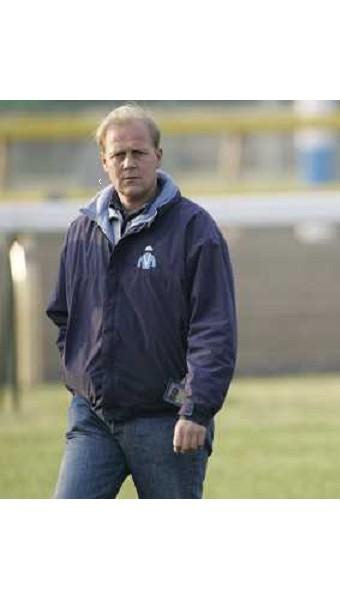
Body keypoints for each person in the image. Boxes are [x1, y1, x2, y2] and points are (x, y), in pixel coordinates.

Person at [47, 104, 237, 499]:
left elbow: (214, 329)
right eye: (118, 154)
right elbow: (64, 315)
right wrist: (83, 377)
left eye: (138, 152)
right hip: (93, 419)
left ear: (158, 156)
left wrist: (195, 409)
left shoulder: (196, 230)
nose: (128, 163)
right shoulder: (82, 230)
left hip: (168, 423)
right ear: (104, 161)